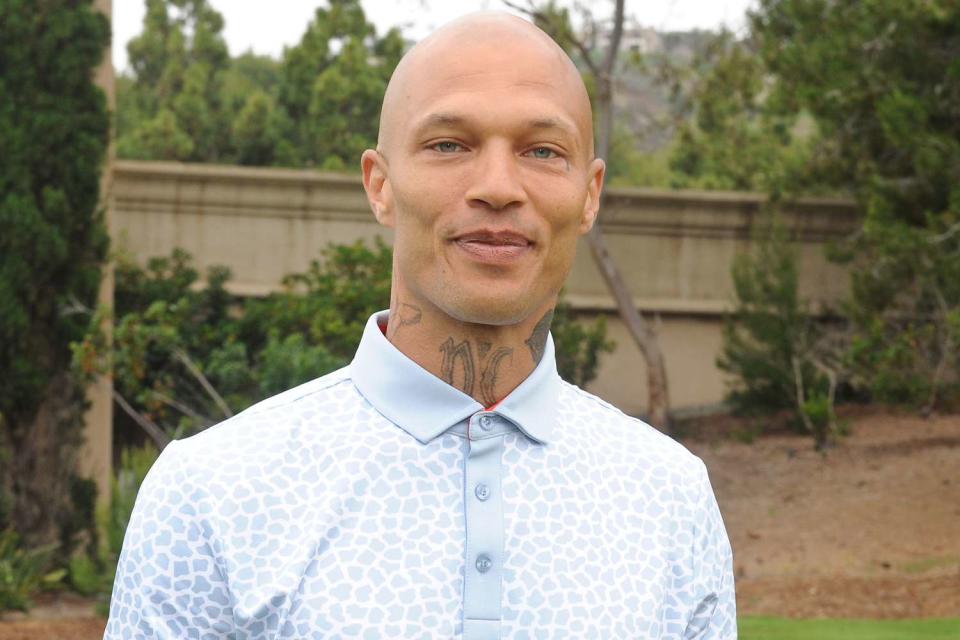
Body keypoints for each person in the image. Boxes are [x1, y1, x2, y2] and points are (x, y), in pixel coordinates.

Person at [105, 12, 735, 639]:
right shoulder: (213, 494)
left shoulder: (670, 500)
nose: (497, 187)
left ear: (589, 194)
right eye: (449, 145)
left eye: (542, 150)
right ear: (380, 185)